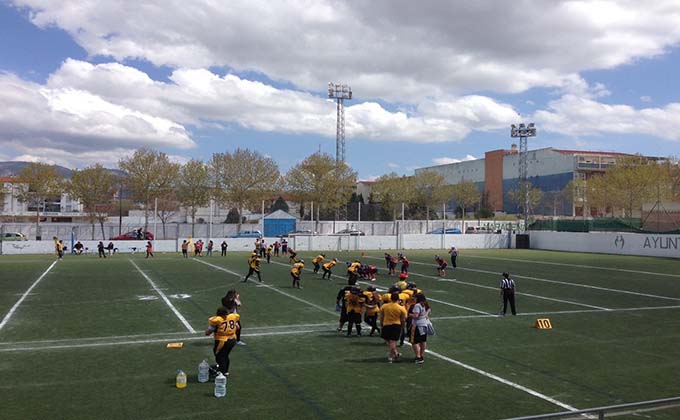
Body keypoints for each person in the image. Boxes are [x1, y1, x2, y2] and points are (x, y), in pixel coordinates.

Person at [205, 306, 240, 376]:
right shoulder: (232, 317)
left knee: (219, 356)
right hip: (233, 339)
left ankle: (222, 373)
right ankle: (225, 371)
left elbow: (207, 333)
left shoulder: (217, 320)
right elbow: (238, 327)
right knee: (225, 355)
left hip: (222, 341)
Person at [380, 292, 407, 363]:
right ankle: (395, 353)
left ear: (390, 298)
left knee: (389, 341)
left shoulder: (384, 306)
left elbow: (382, 316)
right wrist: (403, 326)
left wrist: (381, 324)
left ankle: (390, 357)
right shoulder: (401, 308)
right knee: (392, 341)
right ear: (398, 299)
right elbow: (403, 319)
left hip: (386, 324)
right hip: (396, 325)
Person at [410, 293, 431, 364]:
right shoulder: (426, 304)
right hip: (425, 324)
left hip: (417, 325)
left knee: (414, 341)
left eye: (415, 298)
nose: (414, 299)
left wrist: (409, 314)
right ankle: (421, 355)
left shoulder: (417, 305)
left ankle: (418, 357)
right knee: (423, 341)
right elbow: (429, 313)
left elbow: (416, 315)